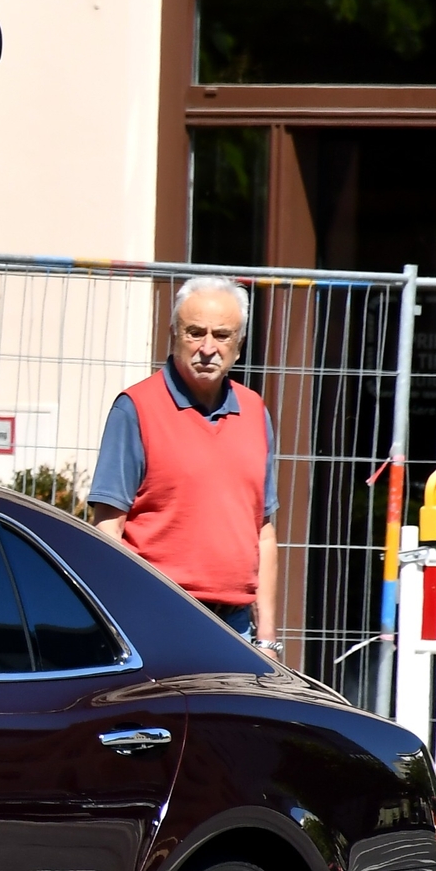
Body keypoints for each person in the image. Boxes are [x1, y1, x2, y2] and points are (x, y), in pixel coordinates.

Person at [88, 275, 282, 654]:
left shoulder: (255, 411)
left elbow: (264, 532)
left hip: (237, 629)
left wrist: (268, 639)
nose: (208, 347)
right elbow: (108, 529)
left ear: (238, 347)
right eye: (195, 332)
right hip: (157, 622)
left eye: (222, 335)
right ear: (174, 335)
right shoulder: (136, 409)